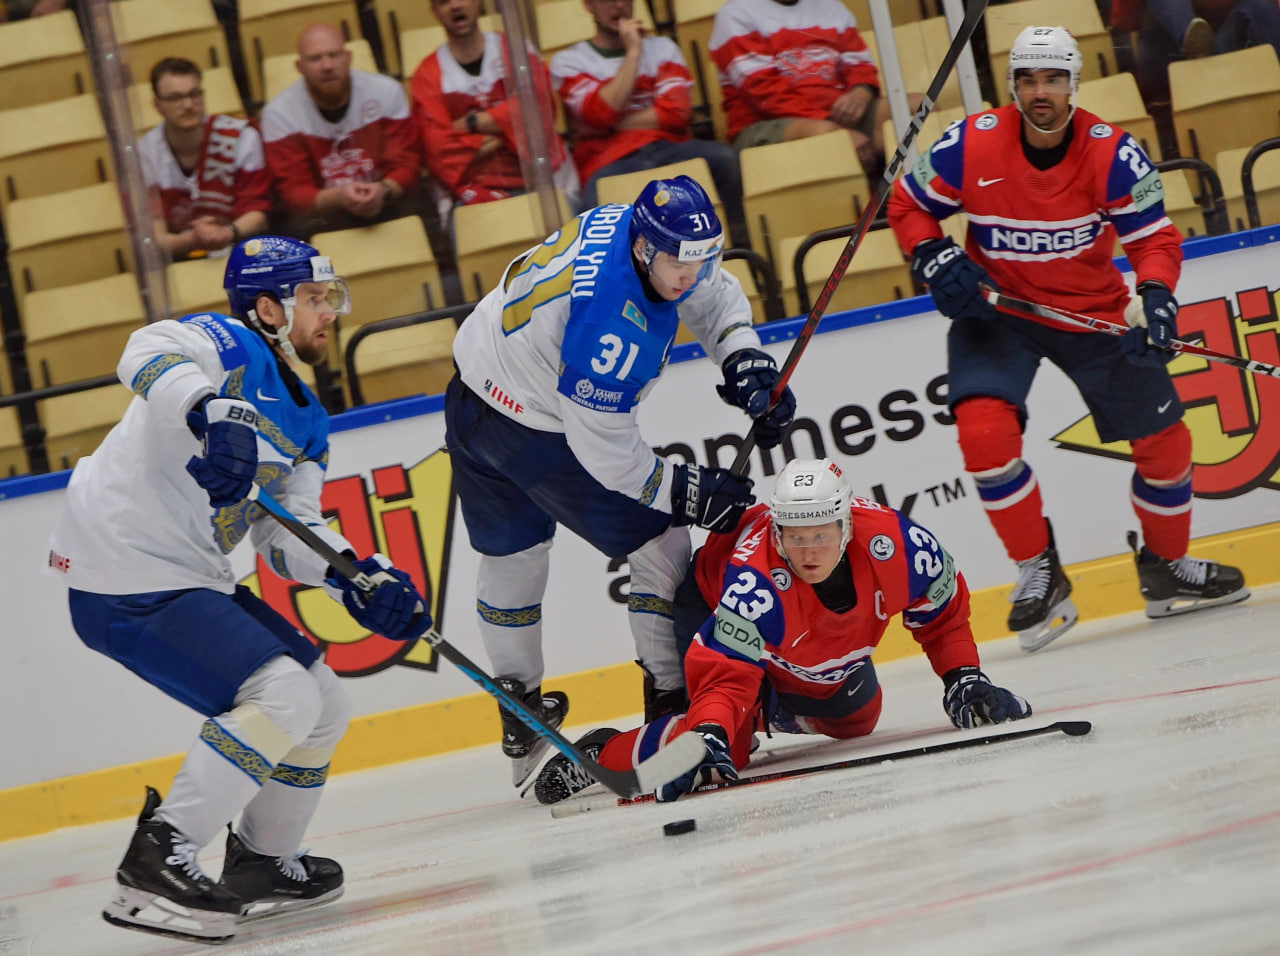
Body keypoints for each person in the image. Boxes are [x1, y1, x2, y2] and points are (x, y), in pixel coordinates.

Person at [44, 236, 432, 944]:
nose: (329, 313)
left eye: (330, 298)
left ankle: (259, 861)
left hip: (190, 572)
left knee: (324, 702)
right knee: (284, 695)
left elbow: (285, 534)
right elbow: (145, 348)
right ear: (268, 308)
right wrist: (209, 410)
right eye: (313, 298)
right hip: (123, 566)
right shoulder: (226, 346)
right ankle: (157, 859)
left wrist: (357, 577)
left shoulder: (308, 421)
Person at [886, 26, 1249, 654]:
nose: (1041, 92)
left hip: (1094, 314)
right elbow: (906, 204)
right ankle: (1039, 573)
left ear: (1074, 84)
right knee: (983, 436)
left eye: (1053, 79)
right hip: (998, 313)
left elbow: (1154, 239)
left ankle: (1167, 567)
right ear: (1012, 86)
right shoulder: (969, 144)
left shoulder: (1115, 153)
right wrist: (933, 255)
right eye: (1028, 79)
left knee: (1166, 444)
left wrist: (1156, 298)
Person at [445, 174, 796, 786]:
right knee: (661, 540)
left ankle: (520, 714)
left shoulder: (640, 227)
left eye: (700, 257)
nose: (690, 274)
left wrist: (743, 358)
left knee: (513, 557)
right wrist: (687, 492)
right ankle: (672, 713)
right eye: (679, 264)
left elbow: (711, 291)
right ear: (643, 249)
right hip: (531, 429)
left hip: (471, 395)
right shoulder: (612, 327)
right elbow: (607, 456)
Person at [531, 457, 1032, 805]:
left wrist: (964, 678)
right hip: (709, 610)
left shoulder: (900, 547)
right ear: (777, 531)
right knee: (725, 747)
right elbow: (725, 676)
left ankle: (763, 708)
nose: (808, 552)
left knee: (859, 717)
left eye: (820, 535)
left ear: (847, 526)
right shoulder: (755, 584)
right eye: (794, 536)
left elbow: (943, 617)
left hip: (799, 644)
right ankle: (603, 753)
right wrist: (710, 731)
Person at [551, 0, 745, 244]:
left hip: (668, 147)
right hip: (609, 161)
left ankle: (740, 247)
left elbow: (677, 113)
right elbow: (599, 113)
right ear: (588, 5)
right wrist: (633, 53)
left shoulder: (663, 48)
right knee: (594, 198)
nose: (619, 5)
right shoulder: (569, 61)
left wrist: (608, 123)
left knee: (725, 159)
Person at [410, 0, 579, 226]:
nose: (455, 6)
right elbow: (438, 149)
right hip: (476, 191)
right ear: (434, 12)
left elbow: (539, 111)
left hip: (544, 181)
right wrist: (508, 124)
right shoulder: (427, 74)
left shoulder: (516, 48)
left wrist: (472, 123)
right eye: (444, 2)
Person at [708, 0, 918, 179]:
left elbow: (860, 64)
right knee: (829, 138)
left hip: (837, 115)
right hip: (766, 124)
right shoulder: (735, 14)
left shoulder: (832, 7)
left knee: (920, 107)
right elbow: (765, 92)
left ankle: (912, 195)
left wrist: (861, 92)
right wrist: (836, 129)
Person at [261, 23, 422, 238]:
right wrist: (340, 197)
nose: (327, 66)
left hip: (387, 198)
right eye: (315, 59)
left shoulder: (387, 91)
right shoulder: (278, 114)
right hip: (324, 213)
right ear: (300, 67)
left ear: (348, 58)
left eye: (334, 55)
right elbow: (294, 193)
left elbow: (407, 165)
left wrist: (383, 190)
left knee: (420, 206)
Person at [139, 58, 272, 260]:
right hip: (178, 257)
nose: (188, 105)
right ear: (158, 105)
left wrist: (226, 233)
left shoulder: (242, 137)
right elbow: (154, 237)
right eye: (175, 98)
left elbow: (259, 215)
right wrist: (193, 240)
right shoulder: (144, 153)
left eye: (194, 94)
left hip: (242, 246)